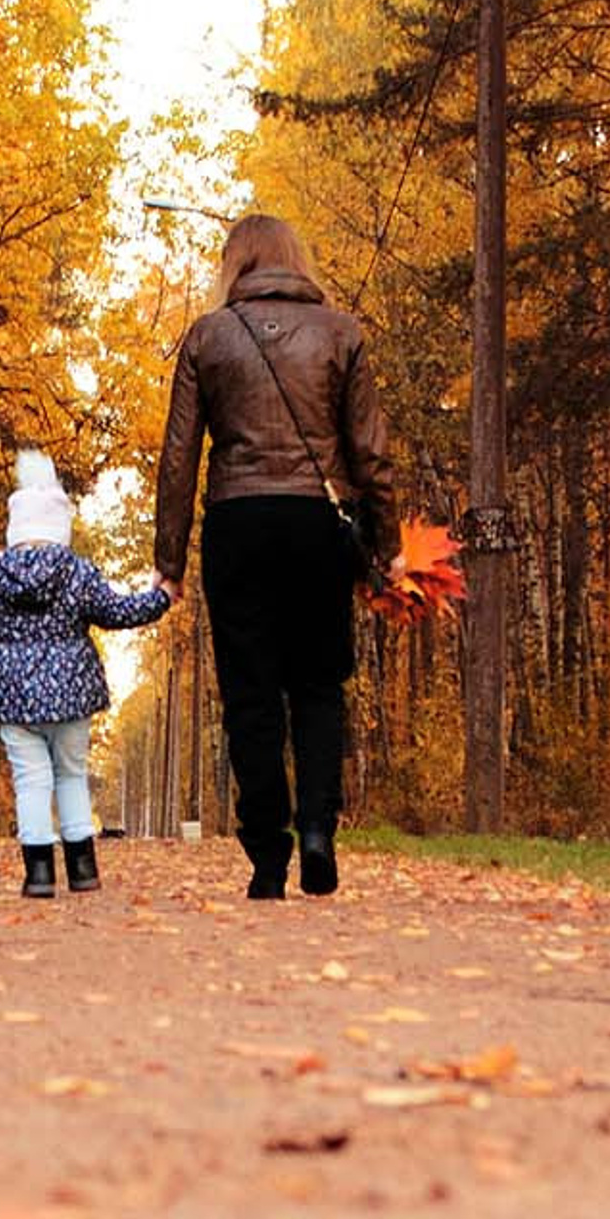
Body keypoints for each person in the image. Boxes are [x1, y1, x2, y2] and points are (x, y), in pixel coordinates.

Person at [152, 212, 396, 900]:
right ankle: (318, 828)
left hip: (238, 521)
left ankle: (267, 852)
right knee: (319, 683)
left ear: (236, 264)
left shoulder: (209, 336)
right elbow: (370, 453)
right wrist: (389, 547)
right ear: (297, 259)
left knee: (250, 693)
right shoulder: (341, 333)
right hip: (320, 524)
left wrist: (168, 561)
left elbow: (179, 458)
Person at [0, 453, 172, 897]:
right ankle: (82, 869)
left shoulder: (0, 574)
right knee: (71, 774)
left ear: (16, 528)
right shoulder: (76, 573)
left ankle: (38, 873)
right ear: (59, 528)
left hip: (14, 695)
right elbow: (117, 612)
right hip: (72, 693)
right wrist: (160, 597)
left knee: (30, 780)